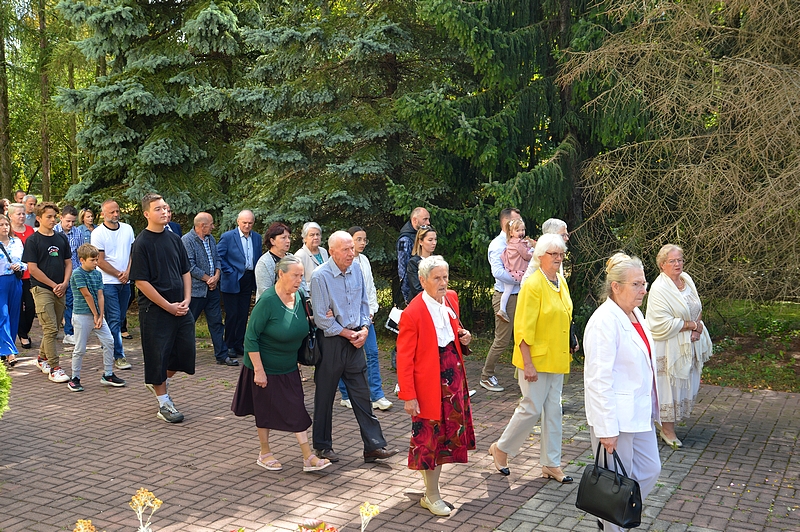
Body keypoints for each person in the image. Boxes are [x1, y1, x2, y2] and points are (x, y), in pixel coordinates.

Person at [231, 256, 332, 472]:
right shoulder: (267, 301)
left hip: (289, 366)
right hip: (264, 367)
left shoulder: (300, 296)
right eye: (295, 275)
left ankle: (308, 458)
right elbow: (251, 337)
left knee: (297, 409)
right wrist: (259, 371)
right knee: (264, 411)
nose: (299, 280)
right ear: (281, 274)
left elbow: (301, 323)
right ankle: (265, 453)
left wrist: (319, 318)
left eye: (301, 276)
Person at [487, 234, 575, 483]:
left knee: (554, 410)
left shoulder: (560, 281)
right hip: (535, 359)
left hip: (557, 358)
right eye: (553, 254)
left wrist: (572, 339)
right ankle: (502, 449)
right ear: (540, 256)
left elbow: (566, 314)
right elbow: (523, 327)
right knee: (531, 408)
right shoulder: (533, 284)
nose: (558, 258)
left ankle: (551, 463)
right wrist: (527, 363)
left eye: (561, 254)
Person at [583, 252, 661, 532]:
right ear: (615, 286)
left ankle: (613, 516)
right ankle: (611, 524)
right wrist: (606, 429)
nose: (644, 290)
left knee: (650, 469)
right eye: (636, 284)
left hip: (639, 412)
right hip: (615, 417)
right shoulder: (604, 321)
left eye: (644, 283)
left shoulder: (635, 314)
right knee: (614, 480)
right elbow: (598, 379)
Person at [310, 231, 399, 463]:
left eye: (352, 248)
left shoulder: (356, 269)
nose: (352, 253)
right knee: (325, 396)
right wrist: (348, 333)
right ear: (332, 252)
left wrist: (365, 329)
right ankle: (322, 447)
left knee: (362, 394)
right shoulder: (320, 276)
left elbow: (363, 305)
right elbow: (321, 319)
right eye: (346, 249)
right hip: (331, 342)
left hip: (356, 339)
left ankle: (374, 446)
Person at [397, 255, 475, 516]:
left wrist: (464, 338)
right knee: (430, 439)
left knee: (445, 438)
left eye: (445, 277)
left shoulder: (451, 298)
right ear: (422, 280)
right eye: (437, 278)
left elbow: (454, 335)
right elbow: (404, 359)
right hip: (429, 386)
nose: (443, 283)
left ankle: (431, 489)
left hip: (453, 381)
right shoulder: (413, 313)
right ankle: (431, 495)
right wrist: (409, 395)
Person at [130, 193, 196, 423]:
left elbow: (185, 271)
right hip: (156, 311)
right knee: (157, 355)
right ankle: (164, 403)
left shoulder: (175, 239)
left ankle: (158, 382)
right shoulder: (141, 243)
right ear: (146, 214)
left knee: (184, 354)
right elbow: (141, 282)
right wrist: (168, 306)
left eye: (166, 208)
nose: (164, 212)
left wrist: (187, 299)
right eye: (158, 209)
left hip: (181, 307)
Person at [646, 244, 713, 447]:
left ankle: (666, 424)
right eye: (672, 261)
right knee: (669, 387)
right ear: (662, 264)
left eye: (680, 260)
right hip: (668, 346)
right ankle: (667, 430)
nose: (677, 264)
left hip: (690, 342)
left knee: (684, 386)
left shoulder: (686, 279)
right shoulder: (659, 288)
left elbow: (697, 306)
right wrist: (692, 325)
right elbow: (660, 323)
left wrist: (697, 328)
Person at [338, 227, 392, 411]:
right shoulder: (344, 263)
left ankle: (377, 395)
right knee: (345, 357)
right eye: (358, 239)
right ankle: (346, 394)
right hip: (348, 319)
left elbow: (370, 288)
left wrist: (371, 311)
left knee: (372, 353)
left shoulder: (365, 260)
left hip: (366, 318)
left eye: (364, 239)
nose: (362, 243)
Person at [22, 202, 72, 382]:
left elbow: (68, 262)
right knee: (50, 328)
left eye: (54, 216)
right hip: (42, 289)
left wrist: (64, 283)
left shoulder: (61, 238)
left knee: (54, 327)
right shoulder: (33, 240)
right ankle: (54, 367)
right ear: (38, 218)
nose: (52, 220)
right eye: (48, 217)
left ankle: (42, 358)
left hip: (60, 289)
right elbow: (33, 269)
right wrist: (53, 285)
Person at [68, 243, 126, 392]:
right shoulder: (77, 273)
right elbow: (87, 295)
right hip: (82, 315)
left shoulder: (97, 274)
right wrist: (95, 314)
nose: (95, 263)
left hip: (97, 316)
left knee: (109, 341)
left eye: (96, 259)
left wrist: (101, 315)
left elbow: (100, 295)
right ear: (82, 260)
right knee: (80, 348)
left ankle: (108, 374)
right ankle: (75, 378)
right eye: (92, 260)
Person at [182, 213, 237, 367]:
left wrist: (217, 276)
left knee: (216, 323)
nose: (213, 227)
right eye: (211, 224)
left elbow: (217, 258)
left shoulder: (210, 239)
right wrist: (208, 279)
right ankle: (182, 356)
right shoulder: (187, 240)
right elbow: (189, 266)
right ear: (202, 225)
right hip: (195, 291)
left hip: (212, 289)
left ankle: (222, 355)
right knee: (188, 323)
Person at [480, 207, 522, 392]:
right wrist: (520, 278)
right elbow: (497, 272)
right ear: (506, 223)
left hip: (521, 294)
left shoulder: (518, 241)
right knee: (502, 340)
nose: (521, 225)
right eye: (517, 221)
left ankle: (524, 375)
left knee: (524, 336)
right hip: (505, 297)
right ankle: (486, 376)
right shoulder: (497, 245)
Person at [91, 199, 135, 370]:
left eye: (117, 211)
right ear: (103, 214)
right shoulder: (98, 233)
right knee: (114, 318)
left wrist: (128, 273)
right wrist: (118, 274)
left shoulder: (127, 229)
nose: (116, 214)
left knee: (120, 317)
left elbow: (132, 254)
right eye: (112, 212)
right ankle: (118, 355)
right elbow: (100, 260)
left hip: (126, 281)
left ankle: (108, 344)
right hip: (108, 282)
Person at [218, 210, 262, 359]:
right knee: (232, 314)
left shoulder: (257, 238)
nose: (247, 226)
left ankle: (238, 344)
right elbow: (219, 256)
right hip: (232, 279)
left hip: (248, 278)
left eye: (250, 223)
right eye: (244, 222)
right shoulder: (228, 237)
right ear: (238, 221)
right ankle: (229, 344)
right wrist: (229, 271)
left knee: (243, 314)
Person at [55, 205, 88, 346]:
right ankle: (53, 329)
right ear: (61, 218)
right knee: (56, 305)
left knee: (71, 303)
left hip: (73, 273)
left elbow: (80, 254)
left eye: (73, 221)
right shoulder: (53, 232)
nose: (70, 224)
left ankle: (69, 332)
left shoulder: (78, 233)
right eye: (68, 221)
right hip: (56, 274)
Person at [255, 222, 307, 300]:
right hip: (271, 304)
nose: (288, 241)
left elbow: (302, 284)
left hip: (293, 302)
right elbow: (265, 292)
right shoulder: (264, 263)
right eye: (283, 238)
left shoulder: (292, 258)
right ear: (272, 241)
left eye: (289, 237)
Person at [8, 203, 35, 349]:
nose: (22, 216)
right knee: (17, 306)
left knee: (31, 306)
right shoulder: (7, 232)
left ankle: (24, 330)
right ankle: (23, 335)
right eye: (18, 214)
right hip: (15, 275)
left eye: (23, 213)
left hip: (30, 274)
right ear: (10, 215)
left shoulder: (30, 230)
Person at [0, 214, 25, 366]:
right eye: (1, 225)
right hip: (0, 281)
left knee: (14, 315)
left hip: (15, 280)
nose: (5, 227)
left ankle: (5, 348)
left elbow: (26, 262)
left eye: (6, 224)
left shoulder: (17, 242)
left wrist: (20, 266)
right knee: (3, 315)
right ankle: (10, 352)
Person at [497, 218, 533, 323]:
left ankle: (502, 309)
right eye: (518, 230)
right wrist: (532, 252)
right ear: (511, 233)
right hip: (518, 271)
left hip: (510, 270)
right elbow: (526, 256)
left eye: (523, 230)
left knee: (507, 291)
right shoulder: (518, 244)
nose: (521, 232)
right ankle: (523, 308)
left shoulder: (510, 242)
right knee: (525, 287)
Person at [398, 207, 431, 304]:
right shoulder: (405, 240)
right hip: (413, 292)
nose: (428, 223)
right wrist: (407, 296)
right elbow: (402, 269)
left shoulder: (423, 235)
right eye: (425, 219)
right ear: (415, 220)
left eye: (428, 219)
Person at [522, 218, 570, 283]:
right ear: (551, 236)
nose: (567, 238)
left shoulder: (558, 254)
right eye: (563, 235)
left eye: (567, 235)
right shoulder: (542, 255)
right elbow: (525, 282)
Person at [404, 226, 437, 303]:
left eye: (435, 239)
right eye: (430, 240)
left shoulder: (437, 261)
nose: (434, 243)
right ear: (420, 242)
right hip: (419, 302)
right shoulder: (413, 262)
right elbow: (416, 289)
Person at [293, 222, 328, 294]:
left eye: (318, 234)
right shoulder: (299, 256)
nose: (316, 237)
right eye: (312, 235)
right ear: (305, 238)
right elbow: (300, 282)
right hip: (311, 295)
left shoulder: (324, 251)